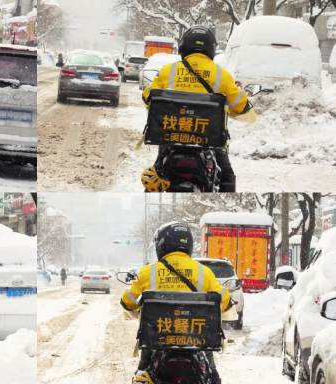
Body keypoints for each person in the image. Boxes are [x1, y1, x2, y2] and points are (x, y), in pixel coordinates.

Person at [142, 26, 255, 192]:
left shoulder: (168, 71)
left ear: (184, 46)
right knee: (227, 177)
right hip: (209, 142)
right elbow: (240, 106)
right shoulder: (222, 75)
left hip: (171, 139)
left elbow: (148, 97)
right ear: (211, 48)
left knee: (156, 179)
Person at [120, 222, 231, 384]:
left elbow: (128, 302)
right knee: (212, 374)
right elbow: (224, 301)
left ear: (162, 245)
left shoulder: (148, 272)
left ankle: (141, 373)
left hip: (158, 340)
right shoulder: (204, 272)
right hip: (195, 339)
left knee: (143, 370)